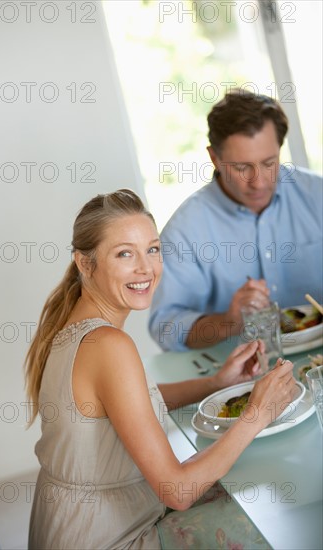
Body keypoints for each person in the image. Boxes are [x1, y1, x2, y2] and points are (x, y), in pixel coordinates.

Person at [25, 189, 295, 550]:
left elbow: (123, 406)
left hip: (69, 527)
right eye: (125, 254)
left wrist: (214, 383)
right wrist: (258, 413)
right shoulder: (108, 345)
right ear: (84, 264)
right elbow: (177, 491)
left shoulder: (75, 326)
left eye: (152, 249)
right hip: (109, 538)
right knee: (262, 514)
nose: (146, 268)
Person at [149, 90, 323, 351]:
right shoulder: (185, 231)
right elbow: (165, 327)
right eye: (242, 168)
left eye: (269, 163)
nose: (259, 182)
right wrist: (229, 322)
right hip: (242, 374)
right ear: (214, 158)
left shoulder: (316, 195)